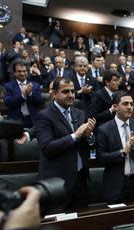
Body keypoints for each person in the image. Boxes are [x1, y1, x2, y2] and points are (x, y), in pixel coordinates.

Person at [35, 77, 96, 209]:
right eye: (65, 91)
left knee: (83, 223)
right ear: (54, 93)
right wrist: (75, 135)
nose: (70, 95)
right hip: (57, 182)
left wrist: (89, 136)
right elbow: (47, 148)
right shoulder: (44, 116)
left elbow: (88, 144)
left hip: (80, 179)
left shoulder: (79, 113)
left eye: (72, 91)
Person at [96, 91, 134, 203]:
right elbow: (101, 158)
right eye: (125, 104)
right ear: (115, 107)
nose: (130, 107)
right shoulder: (104, 129)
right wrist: (123, 152)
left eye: (131, 104)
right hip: (115, 185)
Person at [4, 61, 44, 128]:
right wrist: (23, 95)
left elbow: (40, 102)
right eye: (19, 71)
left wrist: (30, 93)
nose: (22, 73)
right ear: (14, 73)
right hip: (15, 120)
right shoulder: (8, 86)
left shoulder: (35, 85)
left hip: (32, 120)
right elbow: (7, 102)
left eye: (24, 71)